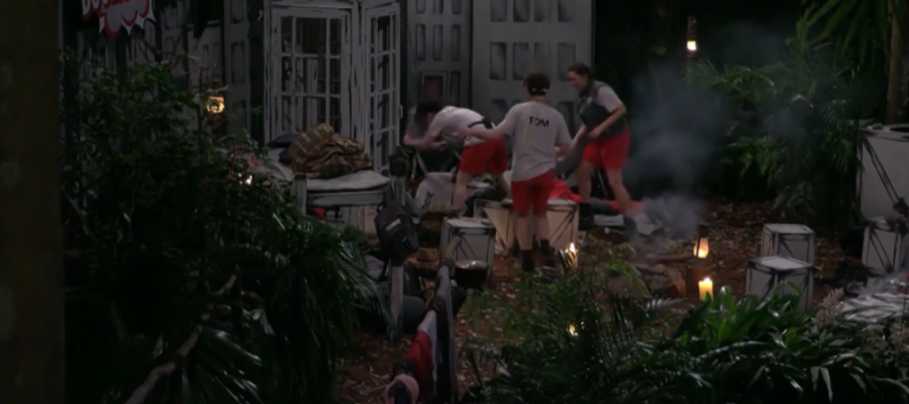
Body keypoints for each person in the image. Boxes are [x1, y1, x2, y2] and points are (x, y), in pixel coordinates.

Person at [468, 73, 572, 272]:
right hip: (545, 173)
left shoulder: (519, 111)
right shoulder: (555, 116)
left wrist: (473, 131)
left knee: (522, 215)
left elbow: (495, 134)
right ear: (546, 89)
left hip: (522, 173)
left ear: (526, 88)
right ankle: (547, 254)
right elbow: (566, 148)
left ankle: (526, 260)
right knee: (541, 214)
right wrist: (551, 150)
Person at [403, 102, 509, 215]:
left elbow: (426, 144)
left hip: (479, 141)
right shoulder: (452, 112)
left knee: (461, 181)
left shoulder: (439, 118)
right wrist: (441, 144)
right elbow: (455, 139)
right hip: (495, 136)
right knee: (499, 177)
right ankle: (513, 202)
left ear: (429, 115)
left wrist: (408, 141)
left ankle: (456, 217)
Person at [565, 63, 635, 235]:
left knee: (614, 182)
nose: (573, 83)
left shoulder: (601, 91)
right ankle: (586, 210)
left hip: (615, 137)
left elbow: (620, 109)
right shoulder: (583, 95)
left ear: (584, 76)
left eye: (575, 79)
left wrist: (601, 128)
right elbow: (588, 122)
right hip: (598, 139)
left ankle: (630, 222)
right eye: (570, 80)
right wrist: (574, 142)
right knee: (582, 170)